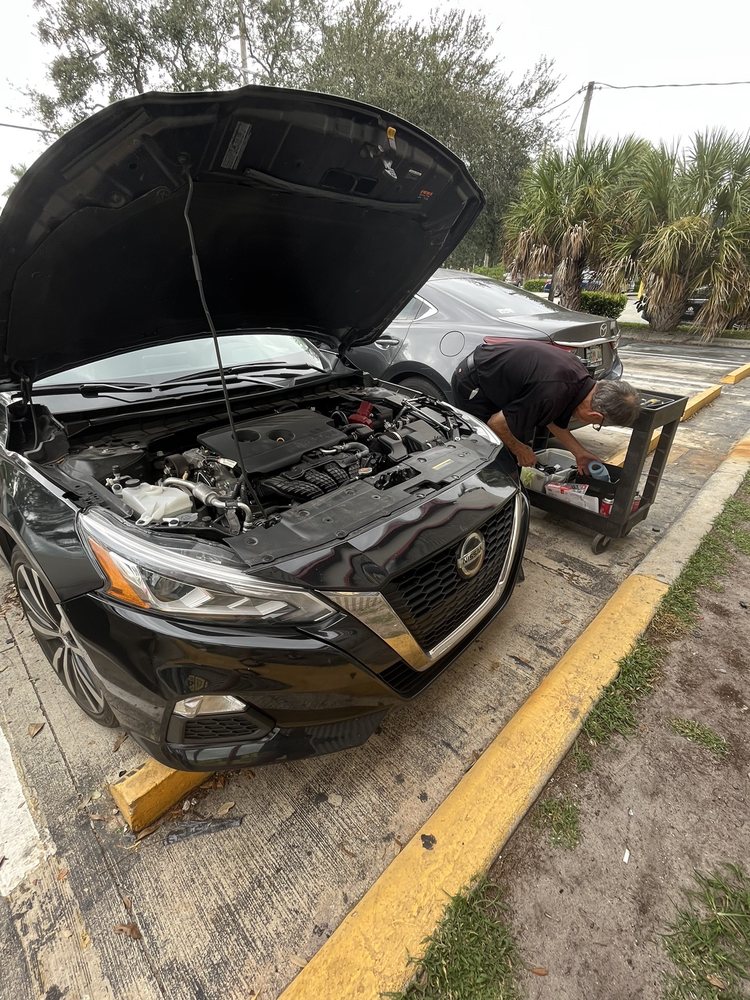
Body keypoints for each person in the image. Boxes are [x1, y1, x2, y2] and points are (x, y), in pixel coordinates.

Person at [451, 340, 641, 478]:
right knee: (490, 450)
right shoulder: (552, 391)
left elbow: (549, 416)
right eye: (597, 424)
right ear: (595, 415)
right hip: (474, 383)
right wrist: (520, 450)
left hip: (497, 378)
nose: (593, 424)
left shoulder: (579, 380)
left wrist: (579, 453)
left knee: (513, 443)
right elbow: (496, 423)